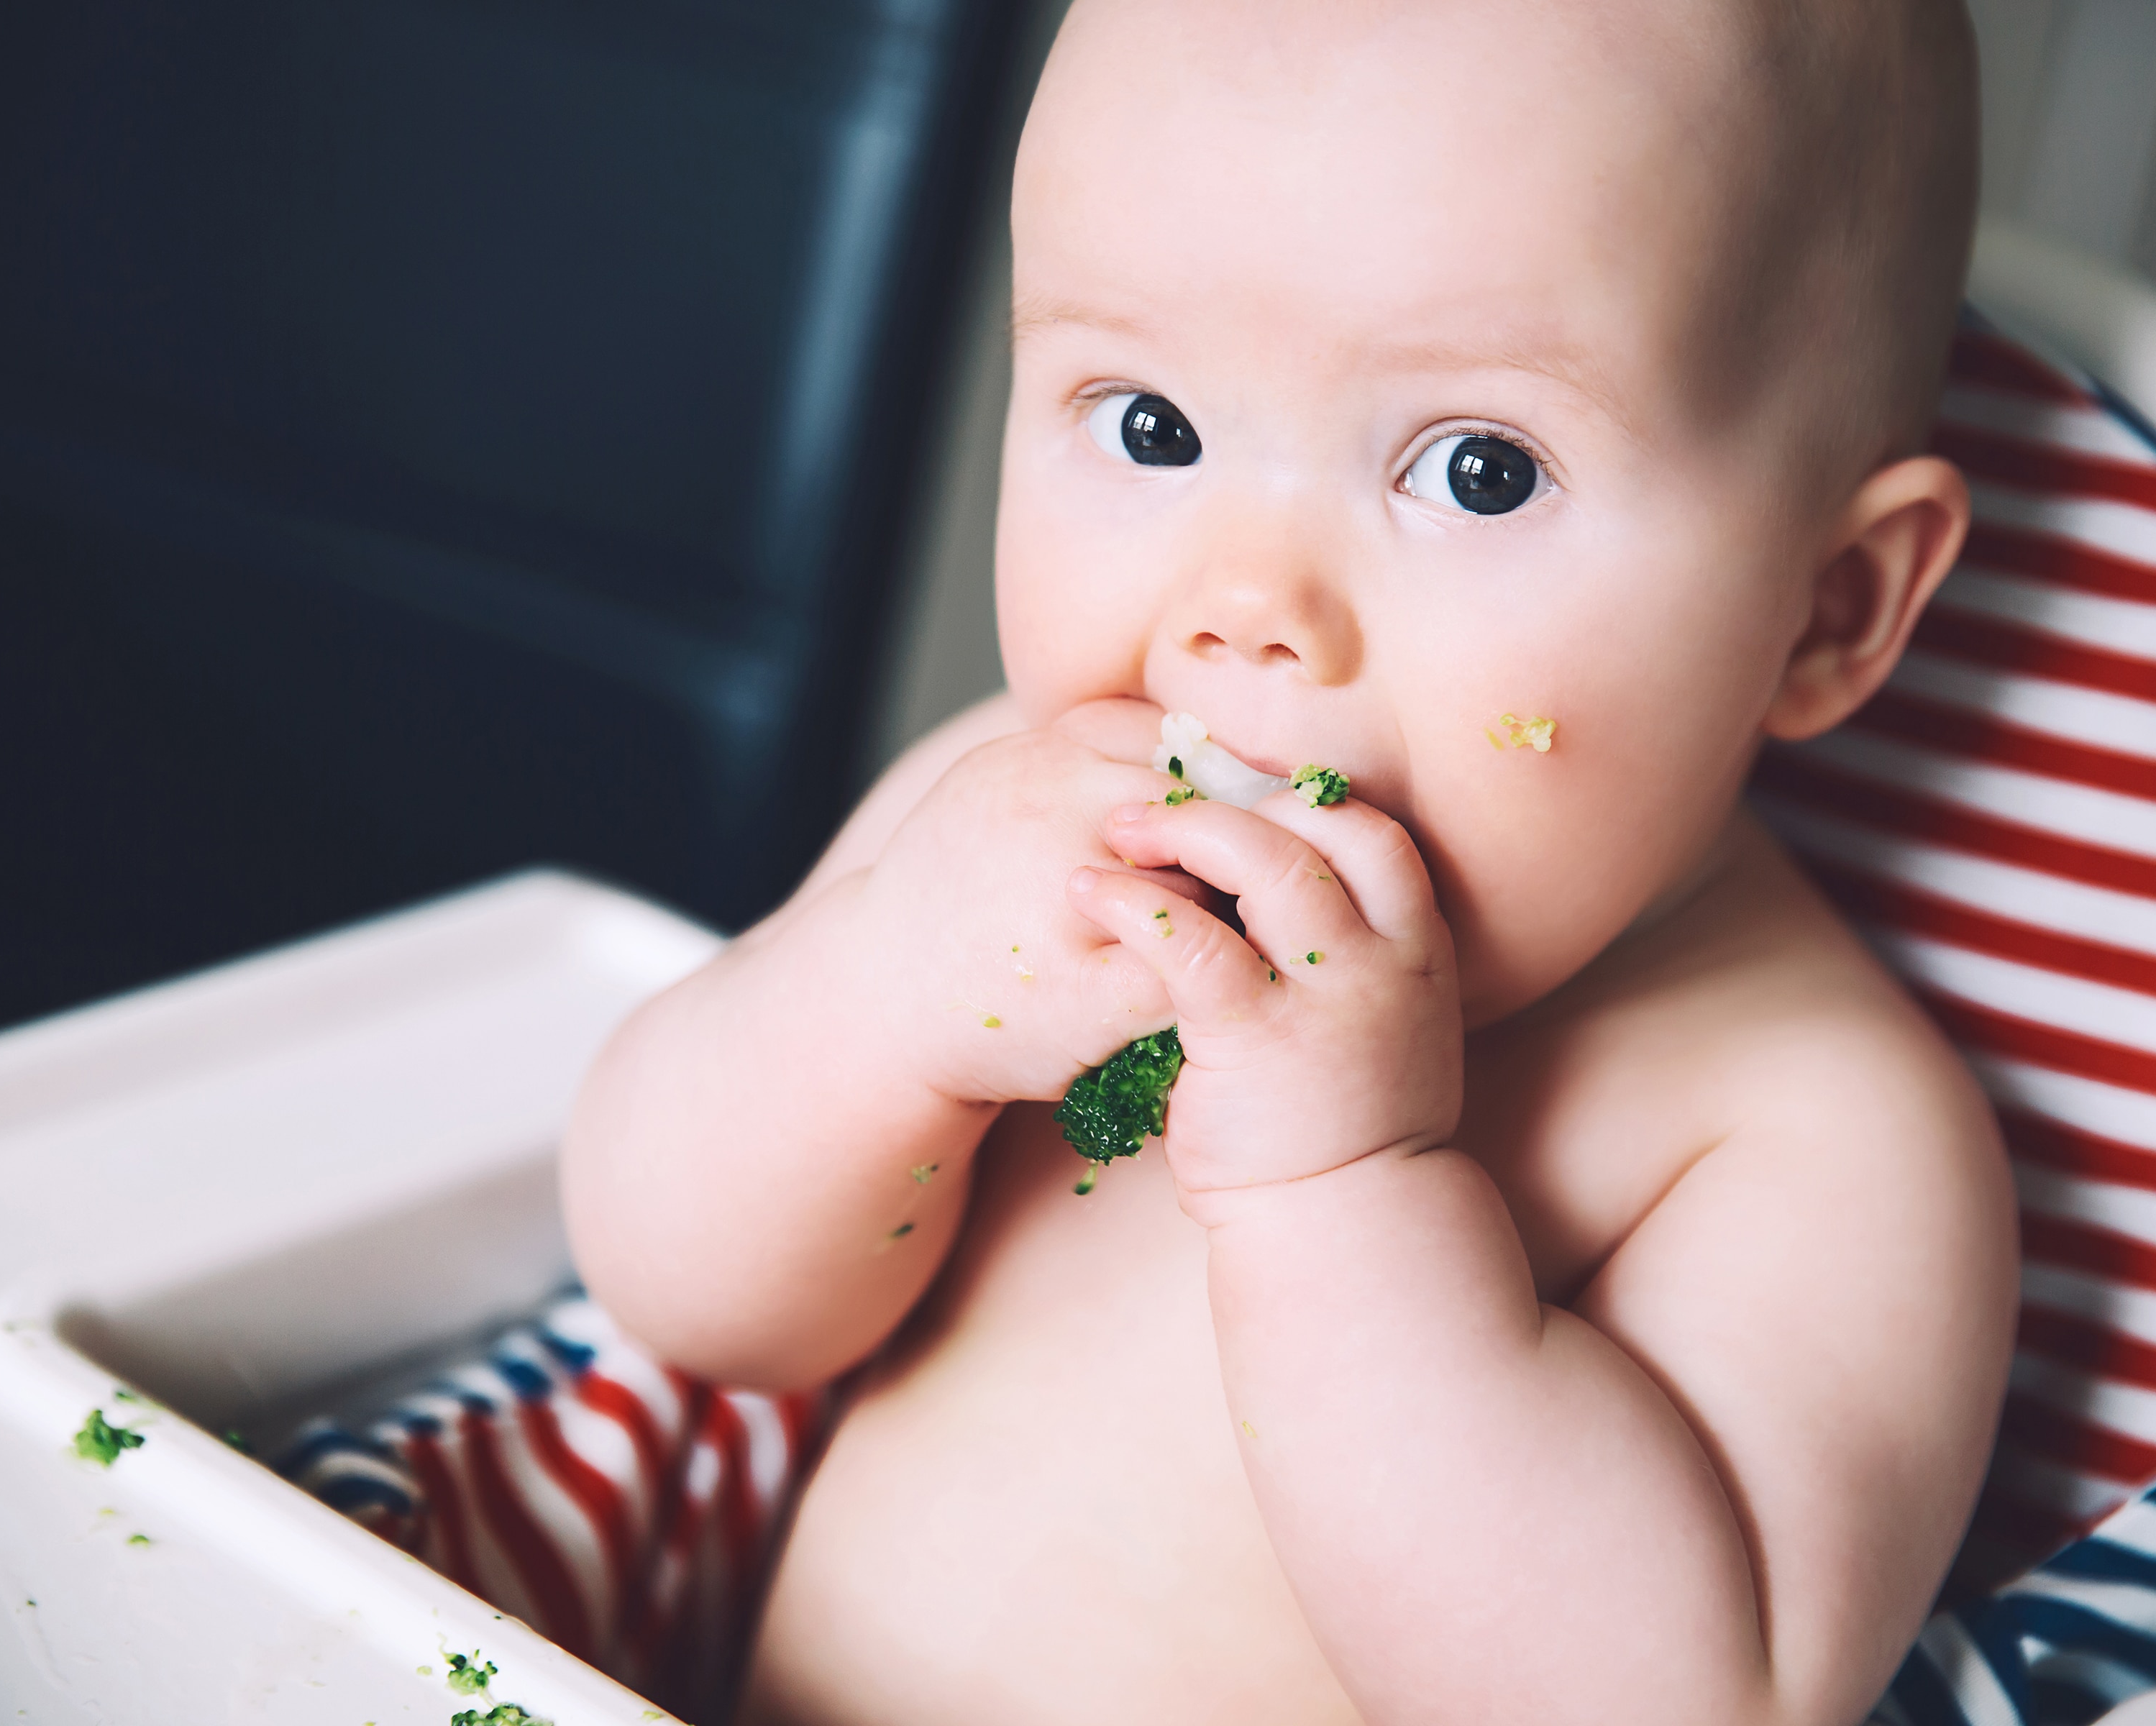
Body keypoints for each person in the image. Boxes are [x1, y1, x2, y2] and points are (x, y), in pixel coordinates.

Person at [563, 1, 2016, 1719]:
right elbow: (687, 1303)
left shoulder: (1804, 1134)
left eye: (1479, 469)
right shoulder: (1002, 837)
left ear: (1826, 613)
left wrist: (1344, 1198)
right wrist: (876, 1004)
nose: (1249, 607)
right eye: (1150, 424)